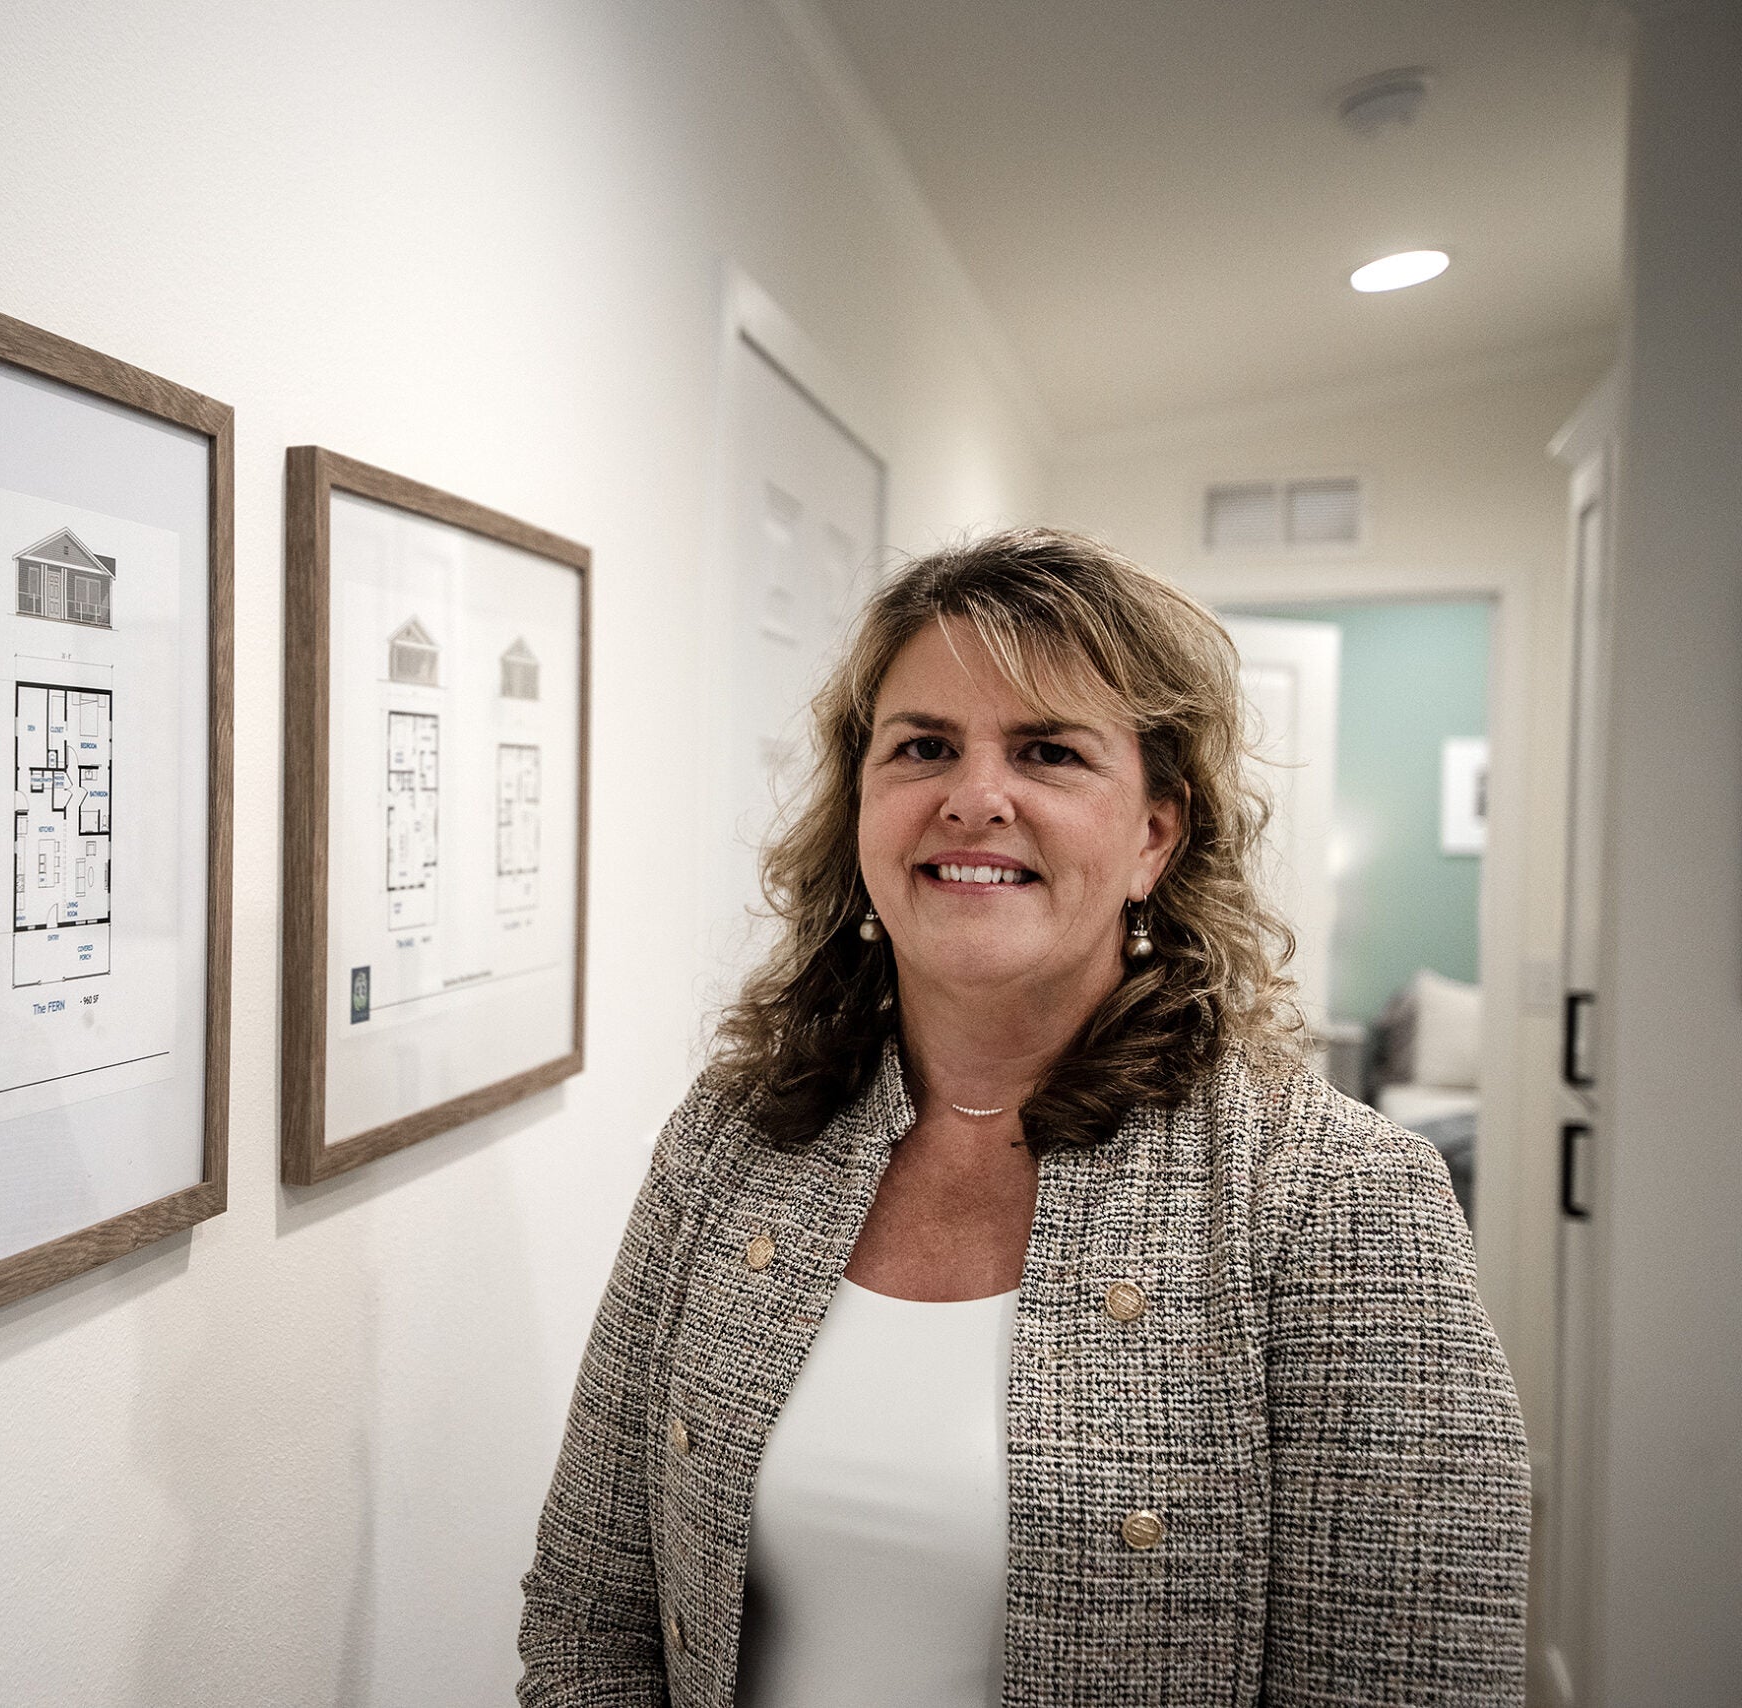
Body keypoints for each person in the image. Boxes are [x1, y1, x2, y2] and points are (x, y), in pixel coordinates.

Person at [517, 528, 1528, 1707]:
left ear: (1155, 833)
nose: (973, 797)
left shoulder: (1336, 1199)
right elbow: (590, 1610)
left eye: (1046, 751)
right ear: (862, 806)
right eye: (923, 748)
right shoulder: (735, 1134)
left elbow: (1408, 1680)